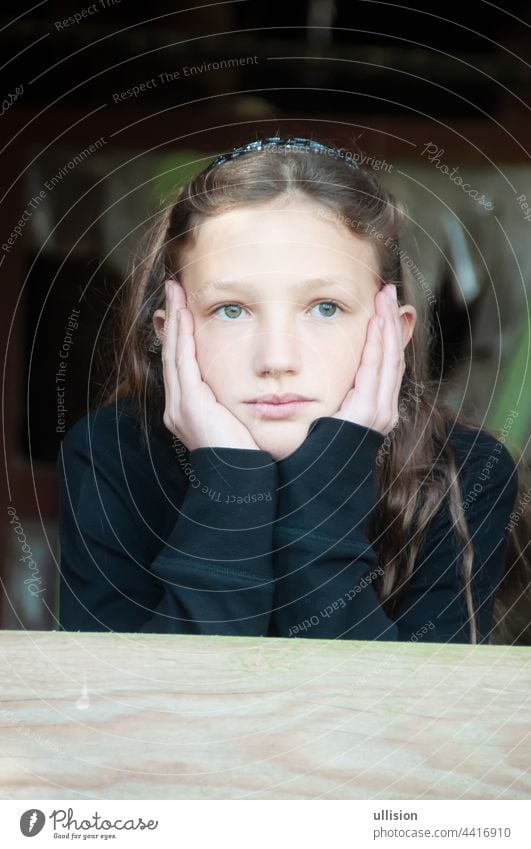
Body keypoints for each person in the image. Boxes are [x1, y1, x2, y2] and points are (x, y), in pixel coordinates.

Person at [56, 135, 530, 644]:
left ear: (393, 329)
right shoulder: (110, 455)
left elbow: (407, 720)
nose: (277, 360)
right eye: (231, 310)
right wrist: (230, 483)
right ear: (170, 330)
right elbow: (136, 711)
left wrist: (328, 485)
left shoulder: (466, 472)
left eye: (325, 307)